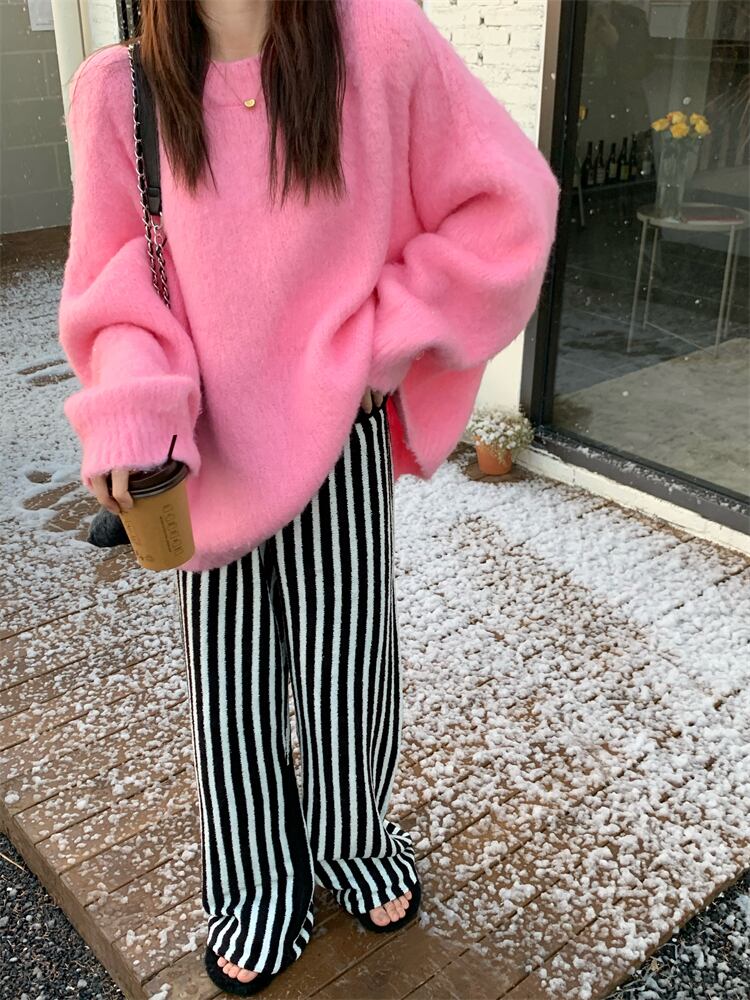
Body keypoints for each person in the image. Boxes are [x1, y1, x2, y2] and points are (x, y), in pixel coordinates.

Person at [57, 0, 559, 994]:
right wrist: (131, 412)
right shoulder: (118, 91)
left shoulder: (380, 40)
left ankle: (352, 838)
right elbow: (119, 285)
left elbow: (508, 202)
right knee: (230, 691)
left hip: (339, 438)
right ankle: (253, 884)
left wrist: (386, 340)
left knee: (348, 666)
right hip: (204, 455)